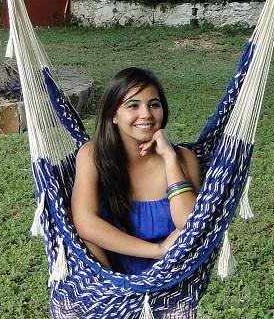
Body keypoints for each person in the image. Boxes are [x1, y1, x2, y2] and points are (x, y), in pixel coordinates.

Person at [71, 67, 202, 274]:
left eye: (154, 105)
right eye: (133, 105)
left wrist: (169, 157)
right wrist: (157, 250)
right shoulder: (93, 155)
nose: (146, 115)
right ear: (114, 115)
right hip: (107, 280)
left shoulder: (184, 159)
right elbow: (85, 224)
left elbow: (191, 223)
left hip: (169, 277)